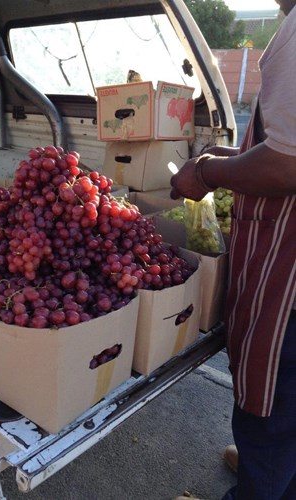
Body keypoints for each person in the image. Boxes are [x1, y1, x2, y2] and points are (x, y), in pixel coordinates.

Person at [171, 0, 296, 499]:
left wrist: (204, 173)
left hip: (288, 287)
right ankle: (271, 473)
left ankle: (262, 479)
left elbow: (287, 164)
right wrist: (228, 158)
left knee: (273, 409)